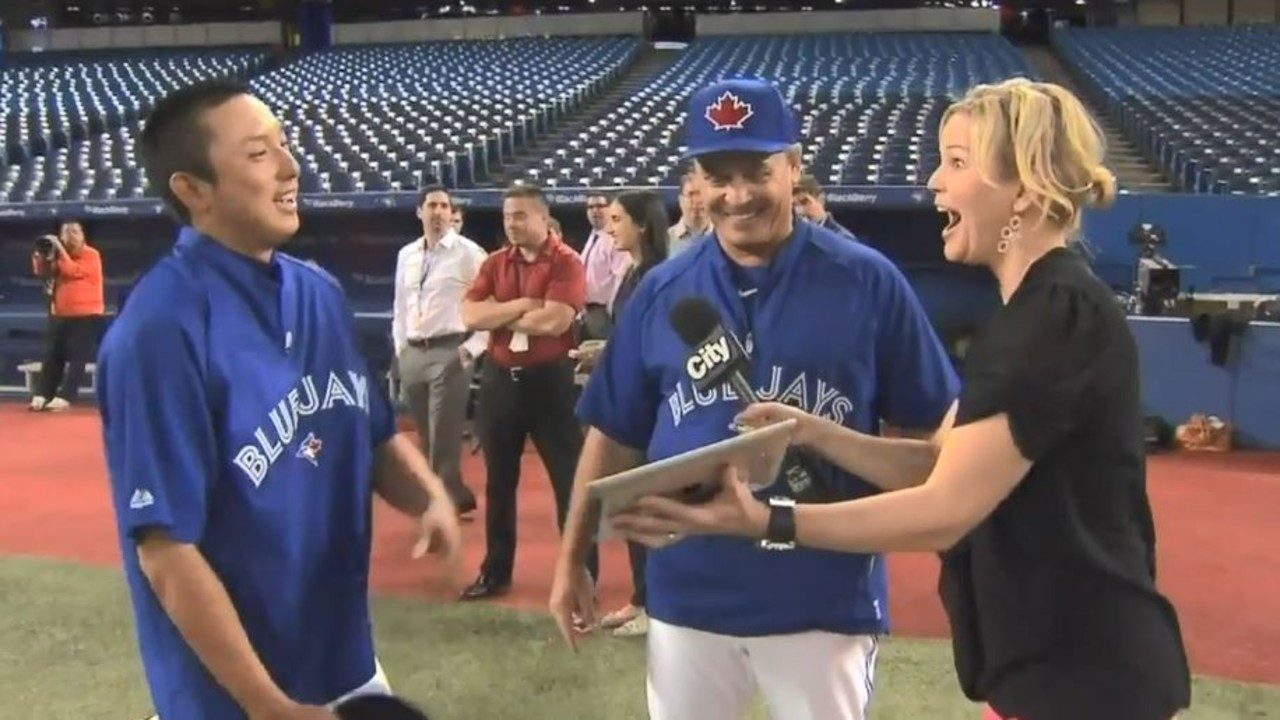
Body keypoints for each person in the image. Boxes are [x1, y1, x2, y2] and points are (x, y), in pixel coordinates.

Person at [607, 78, 1193, 720]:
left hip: (1084, 674)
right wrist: (815, 432)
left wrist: (768, 521)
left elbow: (944, 509)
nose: (935, 182)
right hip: (1050, 667)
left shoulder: (1054, 314)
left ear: (1022, 190)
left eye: (958, 162)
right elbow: (940, 463)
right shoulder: (1034, 309)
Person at [550, 78, 959, 720]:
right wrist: (573, 557)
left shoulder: (867, 281)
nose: (736, 195)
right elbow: (613, 431)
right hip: (687, 595)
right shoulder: (663, 291)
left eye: (756, 171)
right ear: (696, 181)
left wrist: (820, 436)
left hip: (821, 596)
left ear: (794, 167)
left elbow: (932, 453)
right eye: (718, 176)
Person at [98, 79, 463, 720]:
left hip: (346, 664)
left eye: (284, 143)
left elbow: (372, 433)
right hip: (234, 699)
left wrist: (427, 495)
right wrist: (270, 707)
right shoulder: (158, 331)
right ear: (193, 189)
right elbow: (165, 551)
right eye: (258, 154)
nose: (292, 167)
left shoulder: (319, 292)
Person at [459, 182, 598, 600]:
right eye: (506, 217)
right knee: (499, 484)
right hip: (502, 381)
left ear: (542, 216)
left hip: (551, 382)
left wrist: (498, 314)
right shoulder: (495, 262)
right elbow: (469, 314)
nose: (512, 224)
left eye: (520, 216)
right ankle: (495, 571)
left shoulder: (567, 262)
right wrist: (523, 305)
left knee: (569, 485)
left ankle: (581, 577)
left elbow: (554, 322)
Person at [572, 189, 670, 639]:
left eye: (617, 220)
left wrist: (608, 355)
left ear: (642, 224)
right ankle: (639, 597)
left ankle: (655, 602)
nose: (610, 228)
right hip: (633, 405)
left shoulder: (659, 276)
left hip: (652, 413)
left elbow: (652, 347)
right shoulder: (634, 274)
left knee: (649, 505)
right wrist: (606, 351)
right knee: (631, 502)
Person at [392, 185, 487, 517]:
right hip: (414, 352)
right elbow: (400, 306)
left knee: (444, 439)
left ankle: (438, 507)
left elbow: (492, 305)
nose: (438, 212)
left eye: (444, 206)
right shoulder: (407, 254)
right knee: (426, 436)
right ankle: (452, 495)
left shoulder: (469, 253)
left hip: (452, 351)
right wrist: (401, 348)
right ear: (419, 212)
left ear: (451, 212)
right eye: (431, 205)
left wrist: (473, 349)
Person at [29, 218, 104, 411]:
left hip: (86, 314)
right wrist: (41, 255)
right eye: (66, 233)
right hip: (60, 313)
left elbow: (72, 271)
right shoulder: (57, 256)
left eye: (75, 232)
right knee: (53, 355)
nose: (70, 237)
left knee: (77, 358)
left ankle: (66, 396)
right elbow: (41, 272)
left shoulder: (91, 255)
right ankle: (43, 393)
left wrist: (60, 252)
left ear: (82, 236)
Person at [579, 191, 631, 341]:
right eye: (590, 207)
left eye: (600, 206)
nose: (595, 211)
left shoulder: (614, 238)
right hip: (588, 311)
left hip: (605, 313)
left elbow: (621, 278)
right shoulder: (594, 236)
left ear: (611, 208)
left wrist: (613, 312)